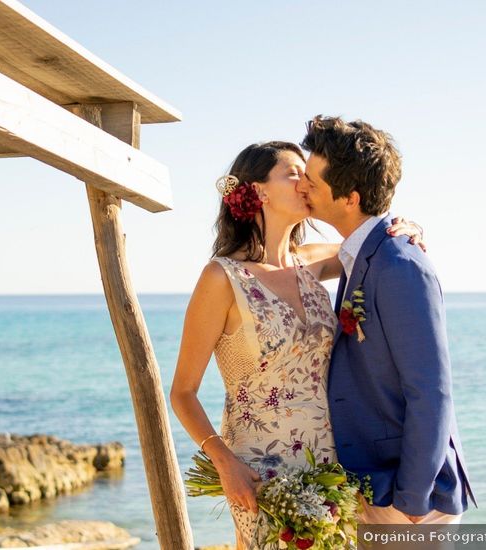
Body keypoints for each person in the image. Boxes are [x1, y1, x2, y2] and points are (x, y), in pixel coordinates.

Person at [170, 140, 424, 548]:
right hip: (258, 471)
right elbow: (182, 392)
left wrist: (406, 228)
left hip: (331, 462)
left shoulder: (311, 261)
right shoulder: (221, 278)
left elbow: (373, 240)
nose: (306, 181)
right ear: (257, 191)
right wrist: (225, 464)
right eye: (293, 173)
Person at [298, 115, 475, 525]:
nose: (302, 186)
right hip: (375, 486)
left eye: (312, 180)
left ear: (350, 198)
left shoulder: (399, 263)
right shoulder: (363, 252)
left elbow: (431, 391)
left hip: (409, 503)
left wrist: (411, 500)